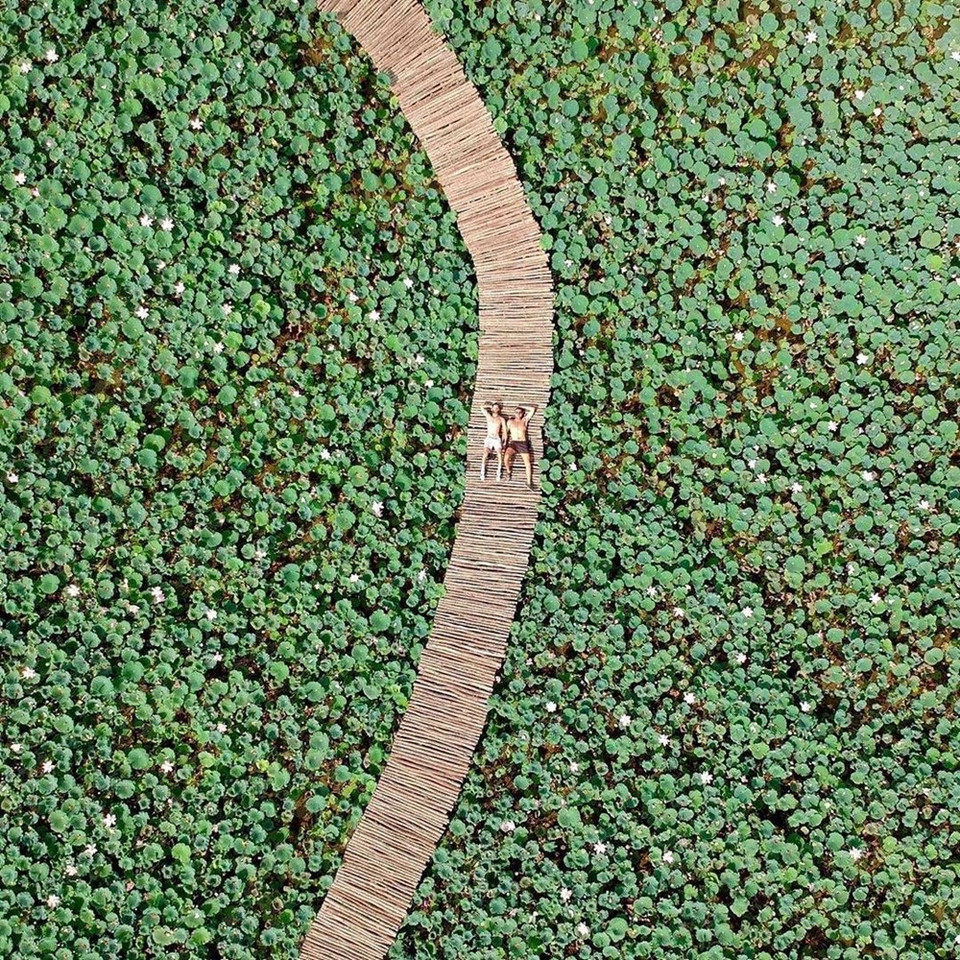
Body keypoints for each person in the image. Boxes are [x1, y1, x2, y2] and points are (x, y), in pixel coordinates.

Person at [504, 404, 538, 489]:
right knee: (506, 457)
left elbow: (532, 409)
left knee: (527, 463)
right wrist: (504, 442)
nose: (518, 414)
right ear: (514, 413)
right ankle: (508, 471)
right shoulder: (510, 422)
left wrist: (522, 406)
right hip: (514, 442)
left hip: (522, 443)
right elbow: (506, 433)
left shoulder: (524, 420)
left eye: (520, 412)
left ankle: (529, 482)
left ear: (522, 413)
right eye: (516, 412)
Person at [480, 401, 507, 481]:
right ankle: (482, 471)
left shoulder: (501, 419)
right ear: (492, 409)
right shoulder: (488, 416)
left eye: (497, 408)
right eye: (494, 407)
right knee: (485, 453)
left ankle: (498, 472)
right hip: (489, 437)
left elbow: (505, 431)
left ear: (499, 409)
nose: (496, 409)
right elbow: (481, 407)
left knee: (499, 454)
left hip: (496, 438)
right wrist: (489, 405)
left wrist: (504, 441)